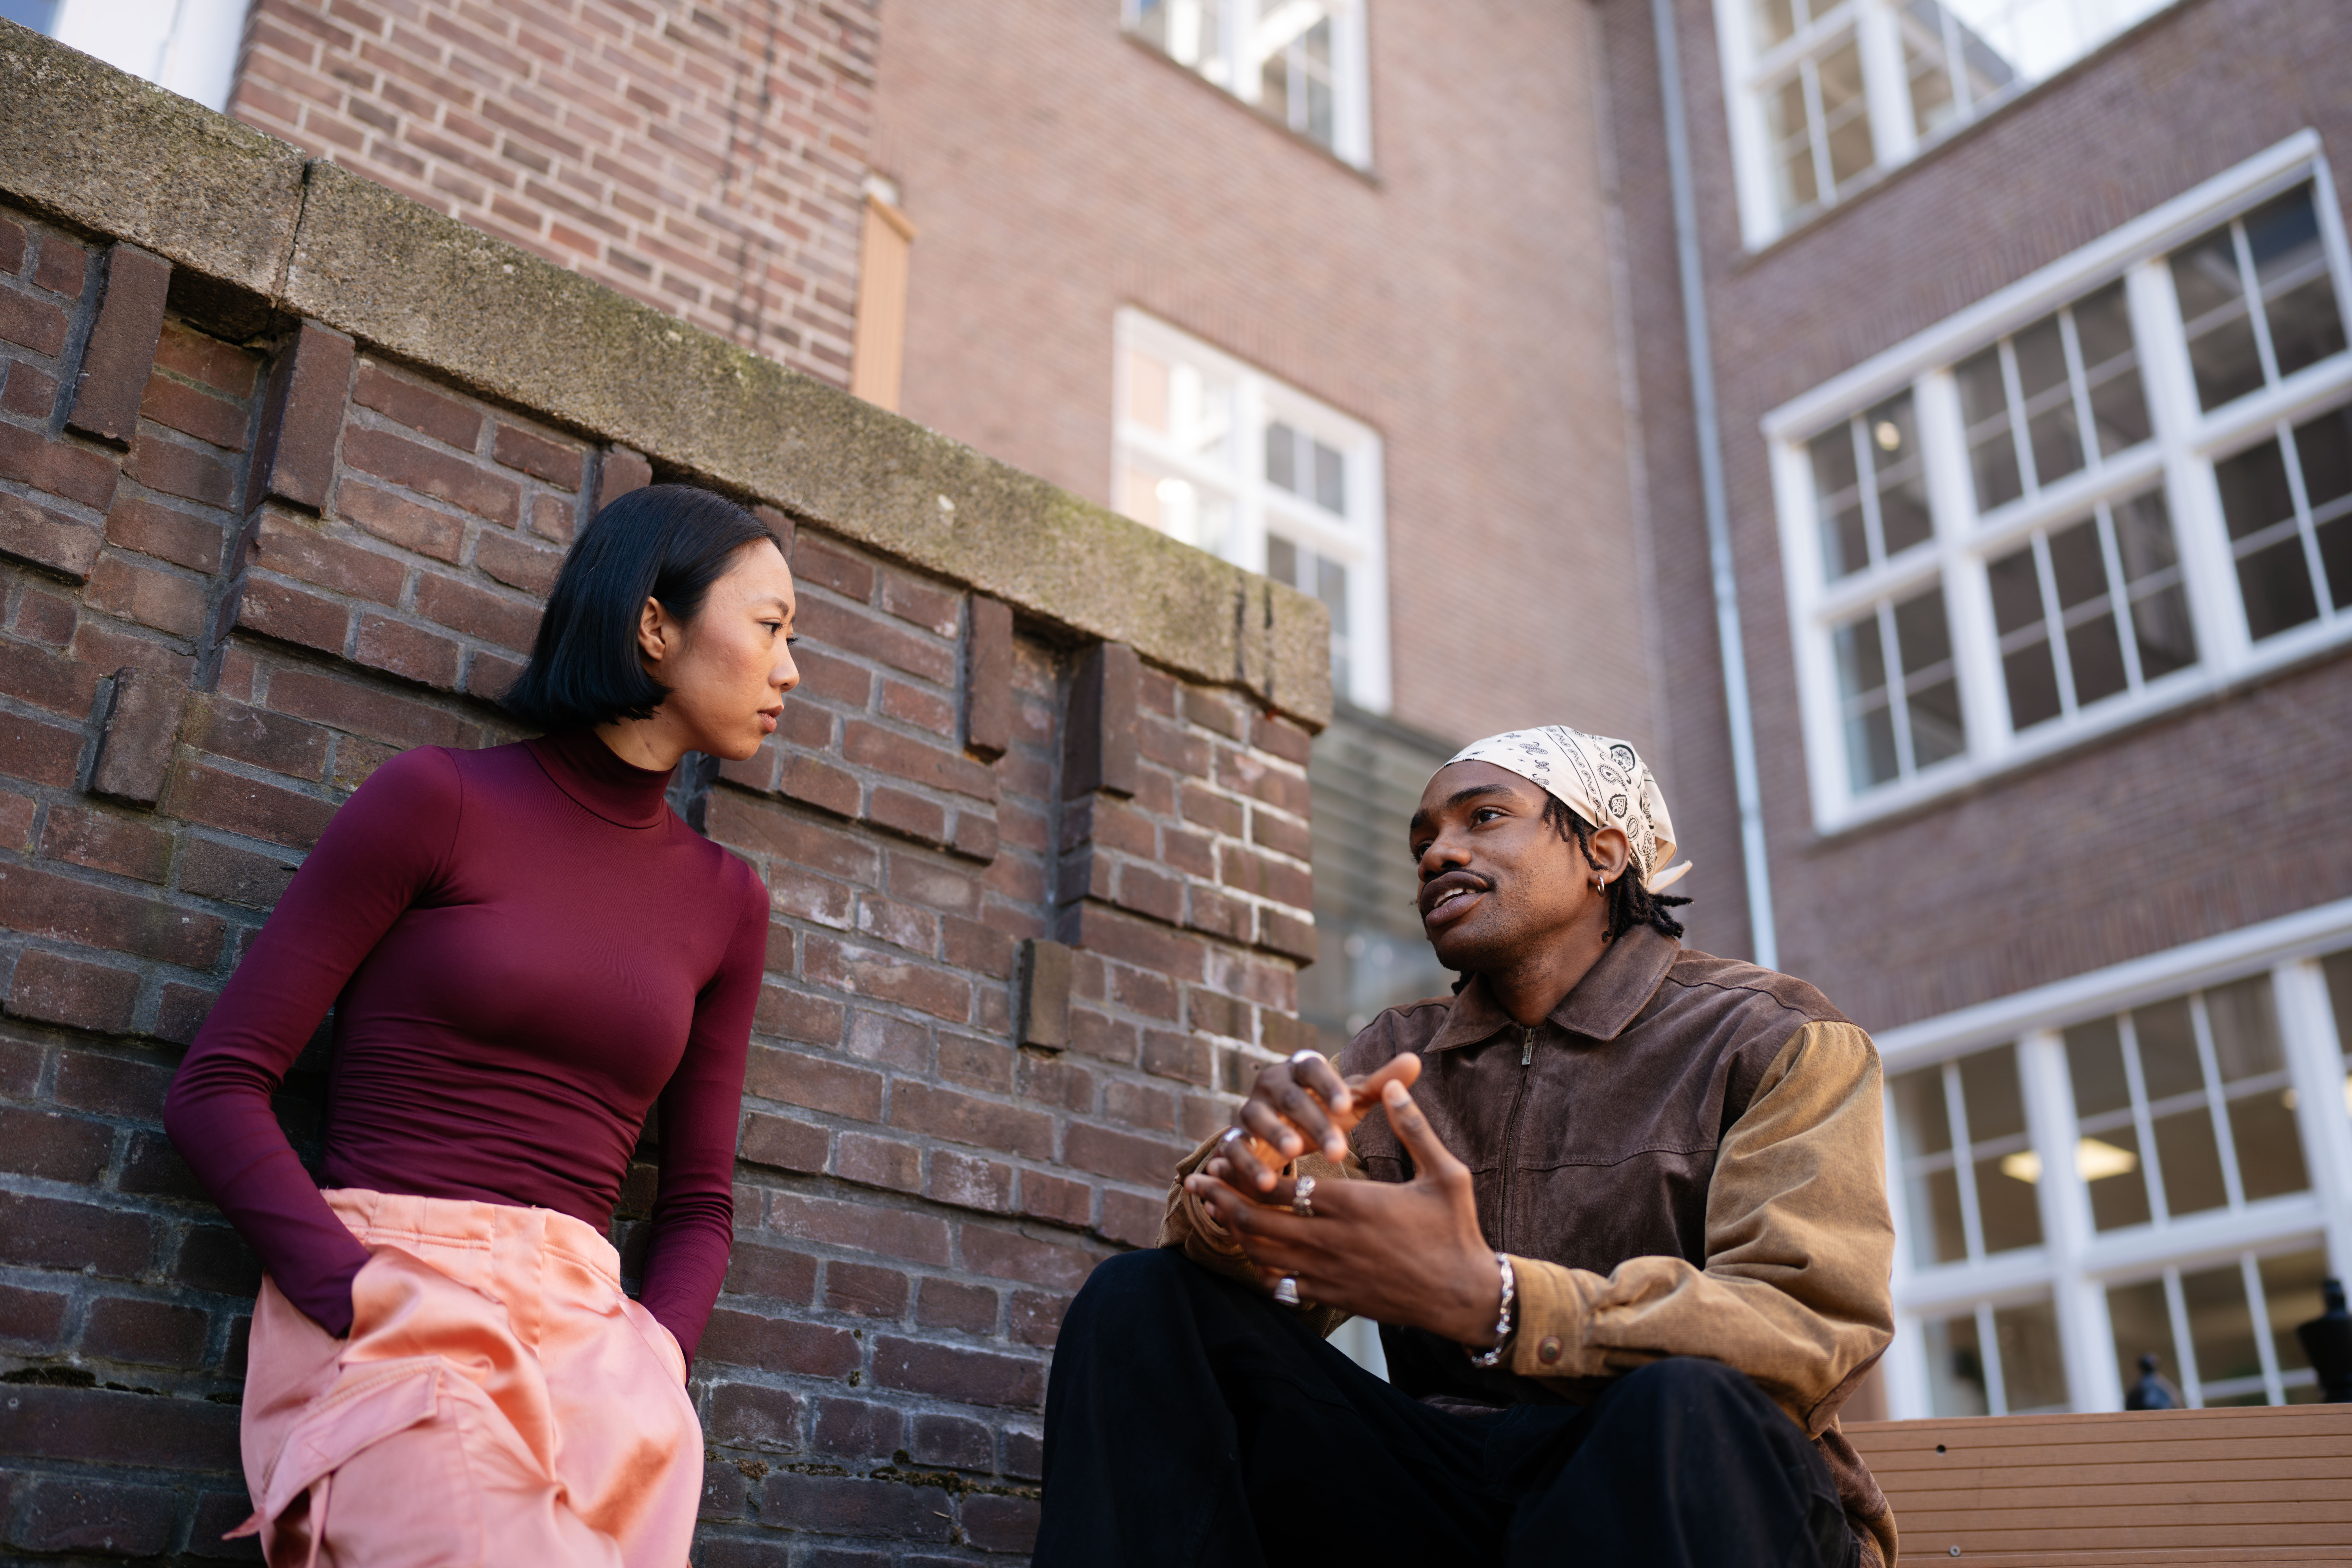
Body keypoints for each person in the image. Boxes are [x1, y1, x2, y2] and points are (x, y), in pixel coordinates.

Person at [1035, 725, 1900, 1568]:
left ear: (1602, 854)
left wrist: (1505, 1304)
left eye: (1482, 817)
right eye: (1423, 838)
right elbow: (1262, 1289)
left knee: (1681, 1400)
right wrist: (1247, 1186)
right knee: (1143, 1297)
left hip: (1698, 1488)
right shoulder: (1395, 1055)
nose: (1437, 854)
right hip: (1447, 1491)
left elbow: (1806, 1332)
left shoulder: (1771, 1037)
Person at [164, 485, 798, 1567]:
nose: (789, 671)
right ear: (656, 626)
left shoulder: (728, 902)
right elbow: (216, 1088)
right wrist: (361, 1289)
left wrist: (658, 1354)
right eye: (772, 627)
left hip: (600, 1348)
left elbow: (697, 1201)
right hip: (397, 1294)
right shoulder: (436, 803)